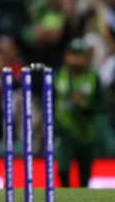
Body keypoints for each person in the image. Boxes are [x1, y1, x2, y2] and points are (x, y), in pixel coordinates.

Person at [54, 38, 106, 188]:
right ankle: (67, 195)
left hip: (86, 133)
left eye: (79, 54)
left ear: (86, 57)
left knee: (85, 175)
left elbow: (102, 106)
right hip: (64, 131)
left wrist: (84, 104)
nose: (76, 58)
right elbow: (47, 102)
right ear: (66, 56)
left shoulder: (93, 77)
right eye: (73, 54)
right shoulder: (57, 76)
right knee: (63, 169)